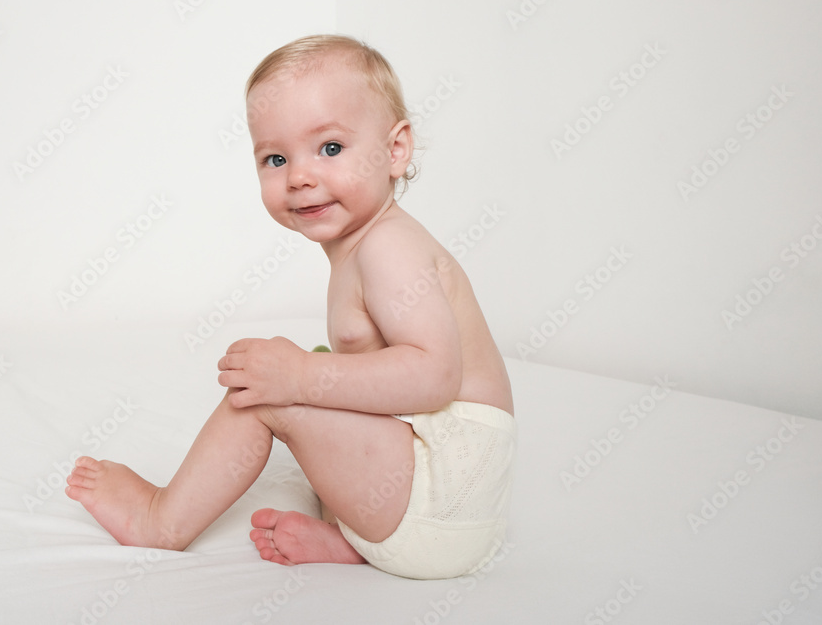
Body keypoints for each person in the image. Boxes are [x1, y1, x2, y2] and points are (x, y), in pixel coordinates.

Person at [66, 34, 516, 580]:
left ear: (395, 150)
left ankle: (158, 521)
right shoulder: (366, 244)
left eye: (330, 148)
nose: (299, 176)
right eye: (276, 158)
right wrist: (310, 373)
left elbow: (435, 375)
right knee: (322, 372)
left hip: (442, 501)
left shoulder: (389, 248)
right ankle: (351, 542)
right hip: (437, 504)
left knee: (265, 396)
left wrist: (300, 377)